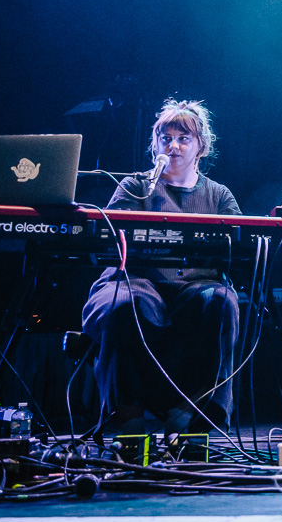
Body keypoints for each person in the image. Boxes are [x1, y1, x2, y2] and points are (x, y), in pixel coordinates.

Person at [81, 98, 241, 434]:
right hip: (136, 280)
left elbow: (239, 247)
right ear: (155, 144)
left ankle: (192, 412)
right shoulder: (134, 186)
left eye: (183, 139)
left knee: (221, 301)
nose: (173, 146)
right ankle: (128, 420)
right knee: (125, 303)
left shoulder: (219, 195)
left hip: (195, 287)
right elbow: (111, 238)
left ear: (201, 147)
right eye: (166, 138)